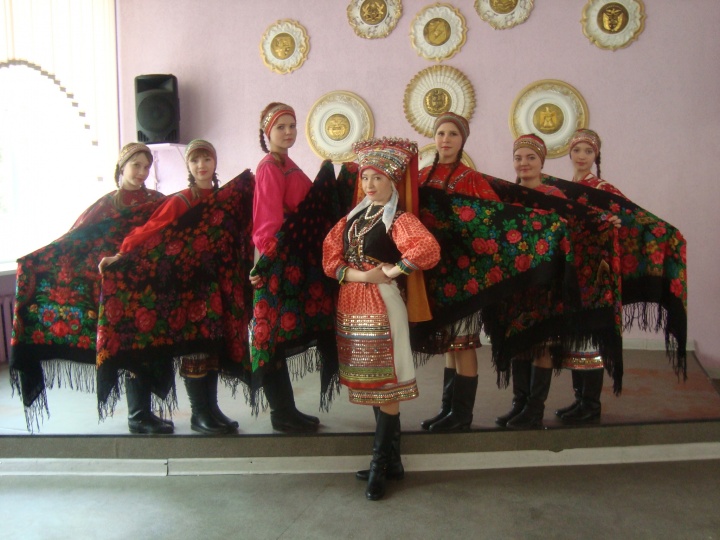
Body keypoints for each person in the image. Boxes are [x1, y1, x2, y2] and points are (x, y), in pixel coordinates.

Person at [10, 142, 168, 433]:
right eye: (136, 165)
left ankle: (144, 413)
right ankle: (138, 417)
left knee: (148, 349)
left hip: (147, 288)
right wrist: (35, 261)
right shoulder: (105, 205)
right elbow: (75, 240)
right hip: (115, 292)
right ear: (121, 167)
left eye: (147, 167)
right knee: (129, 349)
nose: (142, 172)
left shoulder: (158, 201)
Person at [323, 137, 440, 501]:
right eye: (365, 177)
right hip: (352, 304)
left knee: (386, 381)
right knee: (373, 380)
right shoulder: (352, 219)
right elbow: (330, 259)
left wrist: (393, 271)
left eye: (377, 178)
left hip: (382, 305)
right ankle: (393, 462)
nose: (369, 184)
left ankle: (378, 467)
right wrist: (362, 275)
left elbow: (428, 248)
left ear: (392, 181)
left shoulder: (399, 219)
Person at [99, 139, 238, 435]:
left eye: (206, 159)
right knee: (187, 348)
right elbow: (149, 231)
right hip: (180, 289)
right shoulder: (179, 201)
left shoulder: (222, 198)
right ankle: (192, 414)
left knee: (210, 347)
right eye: (194, 160)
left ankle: (211, 410)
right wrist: (121, 256)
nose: (201, 165)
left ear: (215, 162)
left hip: (211, 287)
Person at [418, 113, 502, 433]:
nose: (446, 139)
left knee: (464, 342)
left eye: (453, 134)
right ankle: (448, 409)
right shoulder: (421, 177)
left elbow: (493, 220)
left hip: (464, 275)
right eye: (441, 133)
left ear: (462, 140)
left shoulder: (472, 179)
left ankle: (462, 415)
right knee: (449, 344)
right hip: (435, 275)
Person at [250, 102, 321, 433]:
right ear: (268, 132)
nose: (289, 132)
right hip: (275, 261)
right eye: (281, 127)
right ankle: (281, 413)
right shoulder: (269, 167)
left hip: (289, 259)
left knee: (278, 336)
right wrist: (266, 263)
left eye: (292, 126)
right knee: (272, 338)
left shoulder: (287, 164)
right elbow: (266, 222)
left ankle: (287, 410)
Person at [555, 129, 627, 424]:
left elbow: (626, 217)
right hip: (573, 270)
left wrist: (615, 222)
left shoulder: (603, 189)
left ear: (596, 155)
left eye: (588, 151)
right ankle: (579, 399)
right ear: (569, 153)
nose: (582, 156)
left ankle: (591, 404)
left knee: (592, 337)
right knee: (575, 336)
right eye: (577, 150)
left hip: (597, 274)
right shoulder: (563, 189)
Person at [496, 134, 565, 430]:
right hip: (515, 282)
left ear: (542, 161)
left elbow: (569, 232)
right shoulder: (507, 196)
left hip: (544, 282)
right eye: (518, 158)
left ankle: (535, 409)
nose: (523, 163)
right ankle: (519, 404)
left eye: (530, 157)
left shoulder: (554, 195)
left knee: (542, 345)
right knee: (518, 341)